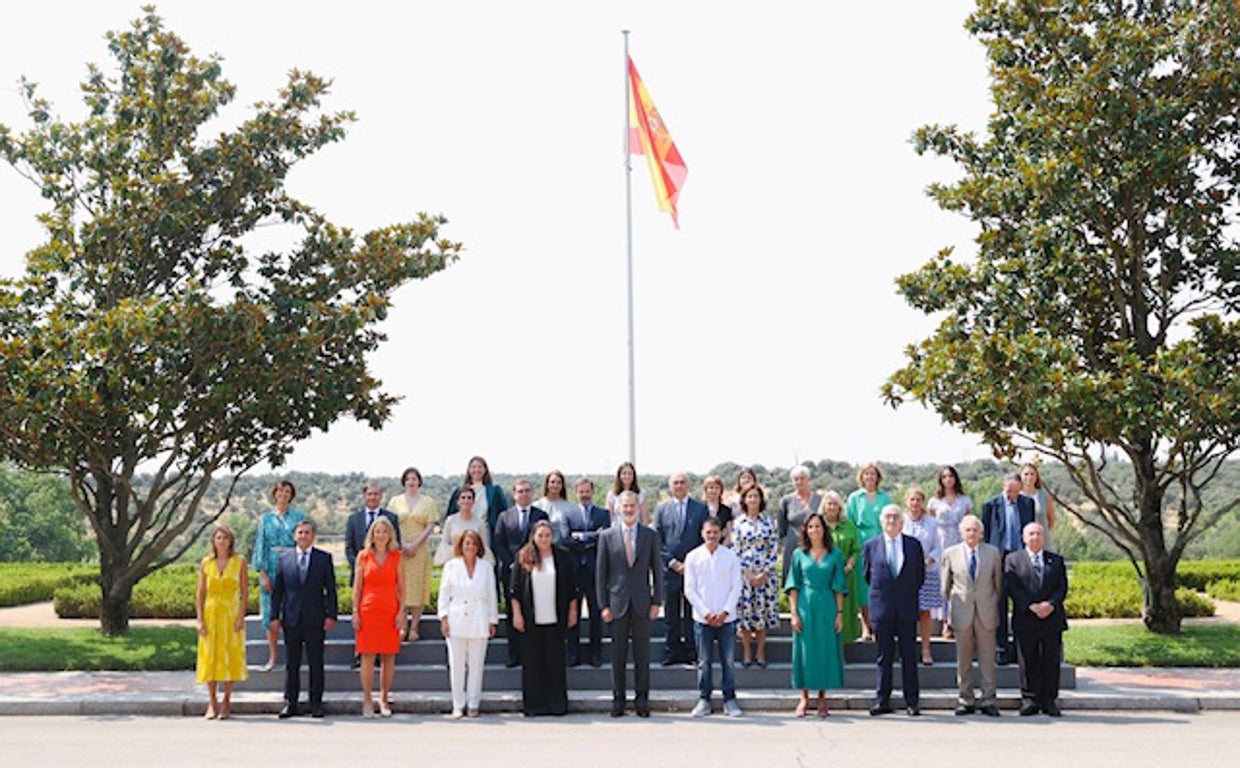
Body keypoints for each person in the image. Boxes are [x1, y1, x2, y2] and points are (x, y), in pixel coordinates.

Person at [596, 490, 664, 718]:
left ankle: (642, 701)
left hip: (643, 603)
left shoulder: (649, 535)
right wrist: (603, 605)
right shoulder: (607, 536)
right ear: (618, 508)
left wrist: (657, 601)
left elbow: (658, 570)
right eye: (624, 506)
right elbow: (601, 574)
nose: (628, 509)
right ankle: (618, 701)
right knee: (618, 657)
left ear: (638, 507)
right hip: (617, 604)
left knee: (642, 656)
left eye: (632, 505)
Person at [271, 519, 338, 719]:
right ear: (295, 536)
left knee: (316, 663)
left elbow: (331, 590)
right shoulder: (284, 559)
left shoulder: (323, 558)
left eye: (307, 532)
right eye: (300, 532)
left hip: (315, 619)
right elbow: (278, 591)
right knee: (292, 663)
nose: (303, 536)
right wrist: (274, 616)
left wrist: (331, 615)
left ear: (313, 536)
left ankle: (315, 704)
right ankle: (290, 703)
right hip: (291, 619)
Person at [510, 520, 578, 716]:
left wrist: (573, 611)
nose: (544, 539)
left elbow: (572, 587)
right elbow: (514, 590)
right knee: (533, 664)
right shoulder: (524, 556)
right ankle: (534, 706)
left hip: (556, 618)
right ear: (533, 536)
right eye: (540, 535)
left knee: (555, 663)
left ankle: (556, 705)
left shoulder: (562, 556)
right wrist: (517, 614)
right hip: (531, 619)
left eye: (547, 535)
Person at [864, 505, 925, 716]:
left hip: (906, 608)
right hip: (882, 609)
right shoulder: (871, 546)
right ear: (881, 521)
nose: (891, 520)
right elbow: (868, 575)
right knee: (884, 657)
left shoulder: (913, 545)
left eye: (895, 517)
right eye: (887, 517)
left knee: (909, 656)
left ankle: (912, 702)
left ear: (902, 522)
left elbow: (919, 576)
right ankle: (882, 700)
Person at [785, 513, 847, 718]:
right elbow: (793, 585)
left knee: (825, 649)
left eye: (818, 526)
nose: (814, 530)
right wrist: (794, 613)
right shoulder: (798, 554)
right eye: (810, 527)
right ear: (806, 530)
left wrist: (839, 613)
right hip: (805, 604)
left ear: (824, 529)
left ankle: (822, 697)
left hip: (827, 604)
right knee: (804, 650)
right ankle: (804, 697)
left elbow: (839, 586)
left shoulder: (834, 554)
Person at [940, 515, 1003, 716]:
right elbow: (945, 587)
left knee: (987, 658)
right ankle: (965, 698)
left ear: (981, 533)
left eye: (975, 530)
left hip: (986, 612)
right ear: (961, 532)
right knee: (963, 659)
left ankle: (988, 699)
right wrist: (949, 615)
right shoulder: (950, 553)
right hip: (962, 612)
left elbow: (998, 585)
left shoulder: (993, 553)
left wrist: (991, 603)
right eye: (968, 530)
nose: (971, 533)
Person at [1006, 522, 1068, 717]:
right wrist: (1030, 606)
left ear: (1044, 537)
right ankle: (1030, 699)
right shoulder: (1013, 560)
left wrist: (1050, 604)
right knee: (1028, 660)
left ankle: (1049, 700)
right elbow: (1012, 586)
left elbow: (1062, 587)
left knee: (1051, 660)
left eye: (1038, 534)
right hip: (1026, 618)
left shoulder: (1056, 560)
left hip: (1051, 618)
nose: (1035, 537)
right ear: (1024, 538)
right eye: (1031, 534)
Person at [683, 516, 743, 718]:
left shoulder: (731, 557)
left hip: (727, 619)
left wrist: (725, 611)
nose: (712, 536)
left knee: (728, 662)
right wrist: (706, 613)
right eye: (708, 532)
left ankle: (730, 699)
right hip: (703, 620)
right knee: (704, 662)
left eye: (715, 532)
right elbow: (690, 590)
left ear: (721, 533)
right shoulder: (693, 557)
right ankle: (704, 699)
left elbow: (737, 587)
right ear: (702, 533)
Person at [438, 530, 499, 718]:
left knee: (476, 665)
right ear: (461, 546)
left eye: (473, 544)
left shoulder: (486, 567)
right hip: (456, 618)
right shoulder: (451, 566)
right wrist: (444, 618)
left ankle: (473, 703)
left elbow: (492, 595)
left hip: (479, 617)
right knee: (456, 665)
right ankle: (458, 704)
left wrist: (492, 620)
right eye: (467, 543)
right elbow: (443, 594)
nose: (470, 547)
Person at [493, 479, 549, 667]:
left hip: (535, 570)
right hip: (510, 570)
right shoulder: (504, 516)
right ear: (514, 494)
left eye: (527, 491)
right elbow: (499, 542)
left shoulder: (541, 515)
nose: (523, 494)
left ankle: (531, 654)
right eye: (520, 491)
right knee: (512, 612)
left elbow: (544, 541)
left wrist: (531, 563)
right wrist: (512, 563)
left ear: (532, 493)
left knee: (533, 611)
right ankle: (514, 654)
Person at [352, 516, 404, 717]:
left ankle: (384, 699)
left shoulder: (397, 556)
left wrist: (402, 612)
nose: (381, 535)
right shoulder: (363, 556)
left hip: (390, 611)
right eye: (377, 531)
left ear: (390, 534)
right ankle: (367, 700)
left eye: (384, 532)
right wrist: (355, 612)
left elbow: (402, 587)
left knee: (389, 657)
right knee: (367, 655)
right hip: (368, 611)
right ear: (372, 535)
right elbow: (357, 588)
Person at [345, 482, 400, 668]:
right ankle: (359, 655)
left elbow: (396, 546)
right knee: (361, 619)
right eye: (369, 494)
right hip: (363, 576)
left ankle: (379, 656)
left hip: (385, 581)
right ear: (364, 497)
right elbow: (349, 547)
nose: (373, 497)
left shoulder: (391, 518)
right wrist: (362, 567)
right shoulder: (353, 519)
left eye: (376, 494)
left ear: (381, 497)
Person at [982, 473, 1035, 665]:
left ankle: (1022, 648)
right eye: (1008, 491)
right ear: (1003, 486)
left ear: (1020, 489)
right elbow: (987, 534)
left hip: (1021, 558)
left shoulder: (1027, 503)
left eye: (1015, 492)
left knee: (1022, 600)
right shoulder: (990, 505)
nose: (1011, 495)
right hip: (1000, 557)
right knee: (1000, 603)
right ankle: (1001, 648)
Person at [196, 524, 248, 720]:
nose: (222, 541)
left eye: (225, 538)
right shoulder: (206, 563)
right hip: (211, 614)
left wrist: (241, 616)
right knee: (210, 657)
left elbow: (244, 592)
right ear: (213, 541)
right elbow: (200, 593)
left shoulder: (239, 561)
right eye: (218, 538)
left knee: (229, 656)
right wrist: (200, 620)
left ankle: (226, 700)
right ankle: (212, 701)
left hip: (231, 614)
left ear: (231, 541)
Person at [655, 472, 707, 665]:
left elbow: (705, 538)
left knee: (691, 614)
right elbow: (657, 540)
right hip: (669, 571)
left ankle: (692, 652)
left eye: (682, 482)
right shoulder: (661, 509)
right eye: (675, 483)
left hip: (693, 571)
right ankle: (672, 651)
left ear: (688, 485)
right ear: (670, 486)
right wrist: (672, 562)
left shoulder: (700, 508)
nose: (679, 486)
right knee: (671, 614)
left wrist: (690, 564)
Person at [252, 480, 305, 671]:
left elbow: (303, 540)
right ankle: (273, 657)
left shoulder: (299, 516)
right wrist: (262, 573)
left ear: (291, 495)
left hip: (292, 565)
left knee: (292, 611)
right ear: (275, 493)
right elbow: (260, 545)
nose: (283, 494)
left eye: (287, 491)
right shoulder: (266, 519)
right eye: (280, 490)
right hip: (271, 566)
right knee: (271, 613)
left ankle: (293, 657)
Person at [565, 477, 610, 667]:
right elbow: (566, 540)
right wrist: (592, 537)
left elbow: (605, 537)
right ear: (576, 493)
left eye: (587, 491)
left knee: (595, 615)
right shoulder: (569, 515)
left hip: (595, 570)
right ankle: (573, 653)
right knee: (572, 613)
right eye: (581, 491)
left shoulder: (603, 514)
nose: (584, 494)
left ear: (592, 492)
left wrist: (580, 537)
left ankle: (595, 654)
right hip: (574, 571)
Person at [733, 485, 780, 668]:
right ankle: (746, 653)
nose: (753, 499)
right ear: (744, 500)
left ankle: (760, 653)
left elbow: (774, 549)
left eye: (756, 496)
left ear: (761, 499)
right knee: (745, 616)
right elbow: (736, 549)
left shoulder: (769, 522)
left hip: (765, 576)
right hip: (744, 575)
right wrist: (748, 573)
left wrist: (764, 573)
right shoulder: (739, 523)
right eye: (749, 496)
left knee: (761, 616)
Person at [847, 462, 893, 641]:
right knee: (862, 586)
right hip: (861, 544)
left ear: (878, 477)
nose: (869, 477)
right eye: (866, 474)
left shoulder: (885, 498)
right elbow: (850, 523)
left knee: (880, 583)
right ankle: (866, 626)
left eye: (872, 474)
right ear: (861, 477)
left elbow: (890, 521)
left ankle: (878, 624)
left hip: (881, 542)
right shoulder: (854, 498)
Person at [391, 467, 438, 642]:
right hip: (399, 550)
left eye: (414, 479)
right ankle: (402, 626)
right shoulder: (395, 501)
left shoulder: (428, 502)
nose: (411, 482)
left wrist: (415, 545)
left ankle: (414, 627)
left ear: (419, 481)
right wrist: (402, 544)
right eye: (408, 479)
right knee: (401, 588)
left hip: (419, 550)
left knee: (417, 589)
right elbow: (390, 524)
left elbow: (430, 525)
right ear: (404, 482)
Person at [926, 465, 973, 639]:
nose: (948, 480)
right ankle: (945, 621)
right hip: (942, 542)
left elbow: (969, 522)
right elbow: (930, 524)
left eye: (951, 476)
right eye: (944, 477)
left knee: (960, 581)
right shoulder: (934, 502)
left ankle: (960, 621)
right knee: (944, 583)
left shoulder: (965, 500)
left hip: (960, 541)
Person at [902, 487, 942, 665]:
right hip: (905, 574)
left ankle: (926, 649)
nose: (915, 503)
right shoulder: (901, 520)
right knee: (906, 613)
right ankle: (907, 649)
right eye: (912, 499)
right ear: (906, 501)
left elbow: (937, 546)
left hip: (927, 572)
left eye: (918, 500)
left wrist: (929, 559)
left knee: (925, 612)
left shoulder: (931, 522)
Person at [819, 490, 862, 645]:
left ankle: (844, 645)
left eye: (835, 504)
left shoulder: (848, 525)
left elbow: (856, 549)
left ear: (840, 507)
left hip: (846, 574)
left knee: (845, 611)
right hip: (824, 576)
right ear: (824, 506)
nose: (832, 507)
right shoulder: (819, 525)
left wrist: (850, 565)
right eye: (829, 504)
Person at [446, 456, 510, 540]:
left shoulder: (494, 491)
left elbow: (504, 514)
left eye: (480, 467)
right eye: (473, 467)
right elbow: (452, 513)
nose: (476, 470)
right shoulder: (459, 491)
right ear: (469, 470)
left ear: (485, 470)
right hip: (462, 533)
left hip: (485, 533)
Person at [776, 465, 821, 583]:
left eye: (802, 478)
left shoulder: (819, 500)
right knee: (793, 584)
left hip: (815, 548)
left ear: (808, 480)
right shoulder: (785, 501)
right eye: (796, 479)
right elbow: (781, 529)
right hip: (792, 548)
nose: (799, 482)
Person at [437, 485, 494, 566]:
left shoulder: (480, 523)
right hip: (454, 563)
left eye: (469, 498)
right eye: (463, 497)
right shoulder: (450, 520)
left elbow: (484, 547)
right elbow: (445, 543)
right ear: (458, 501)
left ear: (473, 502)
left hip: (474, 564)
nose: (466, 500)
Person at [1020, 463, 1057, 551]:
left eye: (1032, 474)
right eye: (1026, 474)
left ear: (1036, 477)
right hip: (1021, 543)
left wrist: (1039, 534)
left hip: (1042, 542)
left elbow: (1051, 521)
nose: (1029, 477)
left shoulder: (1044, 496)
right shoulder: (1016, 496)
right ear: (1021, 476)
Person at [534, 469, 575, 545]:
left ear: (562, 485)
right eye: (552, 482)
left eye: (559, 482)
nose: (555, 485)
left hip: (563, 548)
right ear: (547, 484)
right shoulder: (537, 505)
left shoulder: (570, 507)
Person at [700, 474, 734, 544]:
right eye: (711, 488)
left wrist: (722, 547)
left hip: (721, 547)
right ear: (706, 490)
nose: (714, 490)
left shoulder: (726, 510)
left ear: (721, 490)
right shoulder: (699, 508)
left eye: (717, 488)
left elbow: (730, 533)